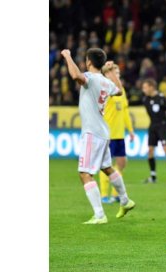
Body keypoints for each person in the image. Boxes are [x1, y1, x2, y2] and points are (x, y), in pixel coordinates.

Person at [61, 48, 135, 224]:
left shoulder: (91, 78)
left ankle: (99, 215)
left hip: (92, 132)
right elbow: (119, 91)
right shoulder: (105, 81)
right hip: (103, 132)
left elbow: (75, 76)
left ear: (88, 62)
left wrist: (67, 56)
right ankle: (125, 200)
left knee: (84, 173)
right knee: (107, 168)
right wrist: (110, 72)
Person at [98, 63, 135, 204]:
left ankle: (115, 194)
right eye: (114, 72)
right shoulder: (106, 89)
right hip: (107, 135)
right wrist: (109, 71)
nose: (117, 74)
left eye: (118, 72)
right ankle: (103, 195)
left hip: (119, 135)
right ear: (107, 74)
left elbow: (125, 112)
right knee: (107, 165)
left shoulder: (122, 90)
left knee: (121, 163)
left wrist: (130, 130)